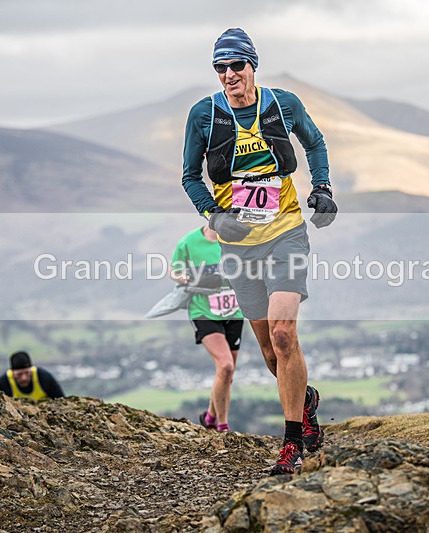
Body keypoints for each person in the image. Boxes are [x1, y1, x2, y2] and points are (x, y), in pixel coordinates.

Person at [181, 28, 338, 475]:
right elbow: (190, 176)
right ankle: (304, 400)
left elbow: (315, 141)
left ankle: (291, 444)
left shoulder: (282, 103)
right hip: (238, 246)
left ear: (253, 65)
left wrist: (322, 187)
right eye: (220, 68)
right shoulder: (203, 115)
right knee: (271, 354)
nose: (228, 75)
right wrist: (213, 214)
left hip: (285, 231)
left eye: (236, 66)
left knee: (285, 333)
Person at [170, 224, 244, 433]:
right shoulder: (189, 242)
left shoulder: (238, 238)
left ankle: (210, 416)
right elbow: (175, 270)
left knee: (226, 374)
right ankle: (222, 426)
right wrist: (188, 278)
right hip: (203, 312)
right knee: (226, 366)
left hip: (234, 312)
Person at [0, 351, 65, 400]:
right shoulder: (2, 383)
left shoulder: (44, 377)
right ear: (12, 372)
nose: (24, 378)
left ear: (31, 369)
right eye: (19, 374)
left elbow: (61, 400)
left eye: (27, 373)